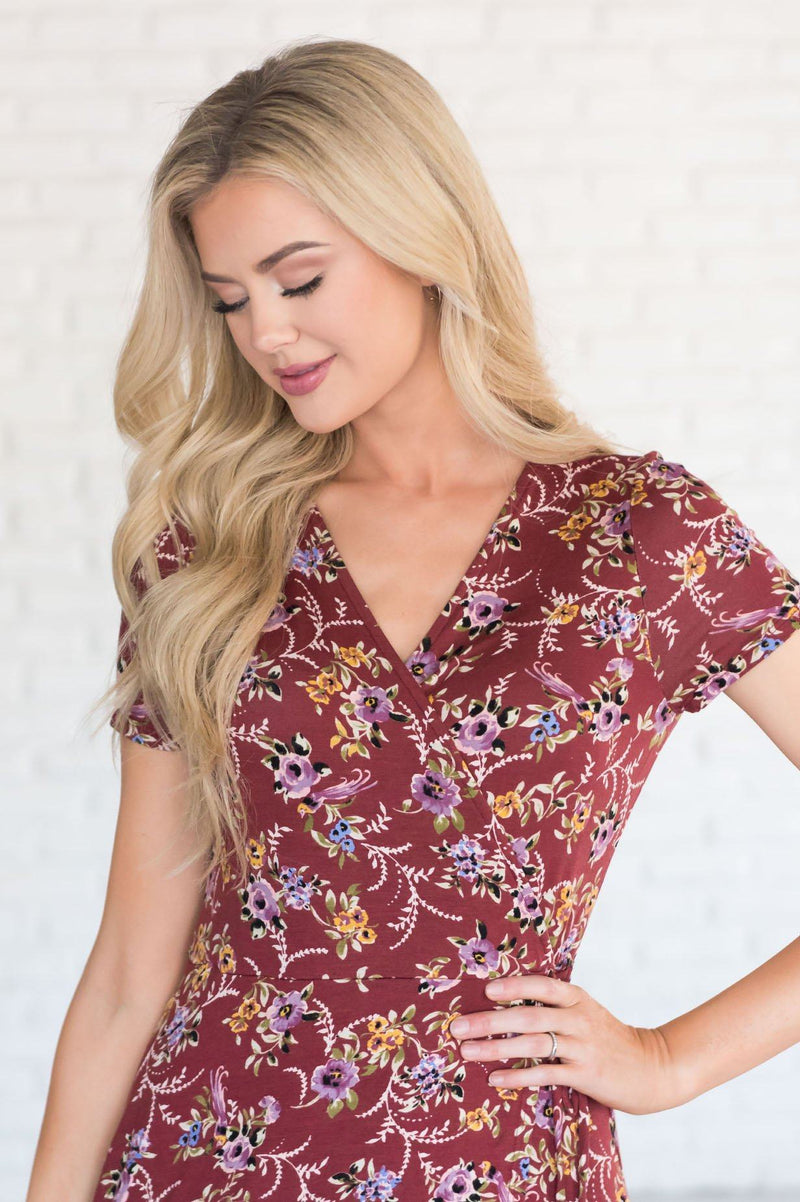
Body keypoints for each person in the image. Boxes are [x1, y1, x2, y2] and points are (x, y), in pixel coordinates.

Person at [25, 36, 800, 1202]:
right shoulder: (210, 549)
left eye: (298, 280)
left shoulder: (639, 537)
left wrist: (669, 1058)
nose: (265, 333)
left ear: (421, 239)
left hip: (498, 1163)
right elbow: (132, 972)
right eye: (230, 300)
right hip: (203, 1156)